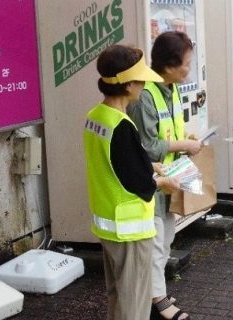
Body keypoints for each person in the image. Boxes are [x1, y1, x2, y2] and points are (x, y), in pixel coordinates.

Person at [83, 44, 179, 320]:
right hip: (130, 230)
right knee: (134, 305)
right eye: (140, 80)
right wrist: (164, 181)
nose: (143, 85)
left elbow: (113, 163)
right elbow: (137, 182)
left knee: (118, 298)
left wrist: (148, 165)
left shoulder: (96, 117)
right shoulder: (122, 126)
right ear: (126, 84)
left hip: (108, 224)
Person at [127, 31, 201, 320]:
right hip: (151, 183)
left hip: (169, 179)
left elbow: (165, 134)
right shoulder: (145, 96)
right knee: (156, 245)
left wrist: (187, 140)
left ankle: (156, 294)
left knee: (165, 240)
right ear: (170, 65)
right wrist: (184, 145)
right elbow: (145, 146)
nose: (189, 69)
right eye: (187, 63)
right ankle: (158, 302)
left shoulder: (169, 89)